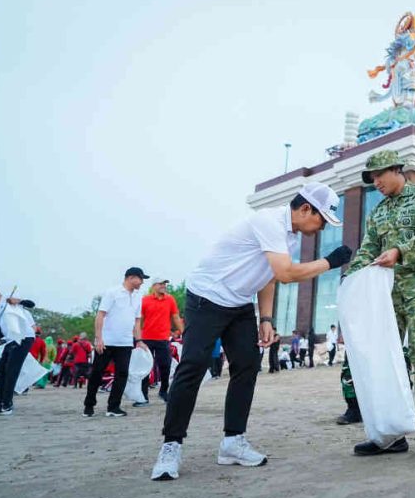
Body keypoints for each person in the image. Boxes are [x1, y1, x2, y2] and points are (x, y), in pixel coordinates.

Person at [150, 182, 351, 481]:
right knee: (193, 365)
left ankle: (232, 442)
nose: (322, 227)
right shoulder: (268, 222)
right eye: (322, 219)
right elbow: (285, 273)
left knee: (247, 365)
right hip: (207, 297)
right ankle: (171, 446)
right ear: (306, 208)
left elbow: (269, 276)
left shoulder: (290, 237)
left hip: (240, 302)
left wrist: (266, 318)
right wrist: (330, 262)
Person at [340, 150, 415, 462]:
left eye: (379, 175)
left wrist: (399, 252)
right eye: (372, 178)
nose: (375, 182)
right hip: (386, 289)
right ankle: (391, 434)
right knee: (385, 356)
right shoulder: (377, 212)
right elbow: (368, 249)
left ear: (396, 169)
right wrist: (352, 276)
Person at [83, 267, 150, 418]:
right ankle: (89, 405)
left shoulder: (138, 296)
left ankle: (113, 407)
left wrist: (139, 340)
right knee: (97, 373)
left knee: (122, 374)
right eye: (140, 279)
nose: (142, 282)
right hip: (107, 341)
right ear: (131, 278)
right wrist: (99, 338)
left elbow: (137, 321)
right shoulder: (113, 292)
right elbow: (100, 315)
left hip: (125, 342)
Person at [0, 286, 36, 416]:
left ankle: (6, 406)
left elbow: (31, 304)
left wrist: (19, 301)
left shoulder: (9, 301)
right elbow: (2, 331)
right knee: (0, 371)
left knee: (11, 371)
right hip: (11, 339)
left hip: (24, 337)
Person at [138, 278, 183, 406]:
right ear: (154, 286)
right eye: (161, 284)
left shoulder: (170, 299)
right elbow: (140, 320)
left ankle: (163, 391)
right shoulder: (145, 300)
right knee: (146, 368)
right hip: (146, 339)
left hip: (163, 338)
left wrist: (183, 332)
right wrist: (138, 337)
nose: (164, 286)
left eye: (165, 284)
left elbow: (175, 317)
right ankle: (143, 395)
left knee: (165, 366)